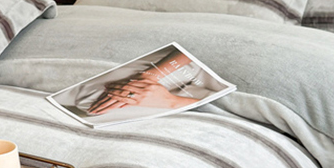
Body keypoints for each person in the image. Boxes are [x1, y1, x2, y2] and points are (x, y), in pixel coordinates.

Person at [58, 47, 223, 121]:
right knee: (98, 96)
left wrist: (171, 101)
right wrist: (148, 76)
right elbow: (195, 45)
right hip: (181, 66)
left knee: (97, 104)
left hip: (191, 94)